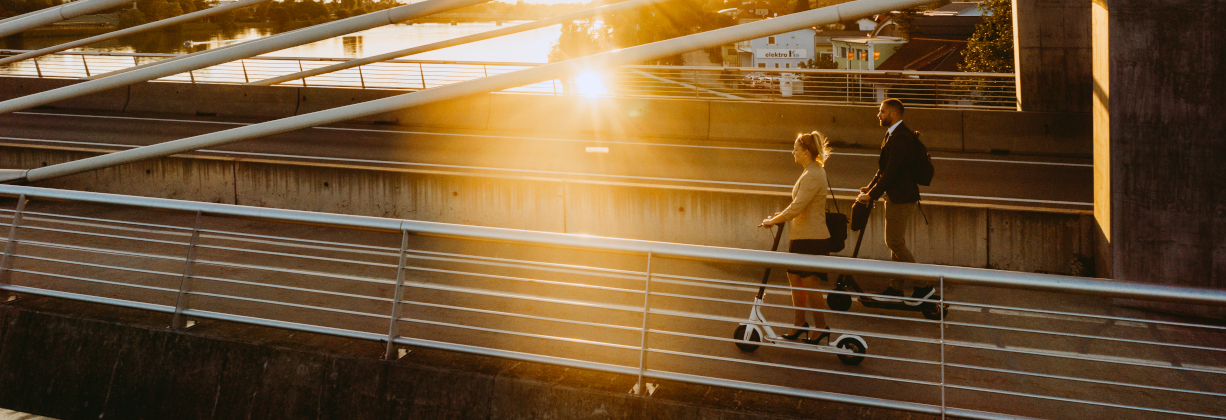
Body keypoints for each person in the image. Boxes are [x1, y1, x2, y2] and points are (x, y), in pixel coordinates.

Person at [856, 98, 933, 305]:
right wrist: (870, 187)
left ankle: (923, 286)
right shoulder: (893, 134)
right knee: (895, 243)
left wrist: (872, 195)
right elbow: (883, 168)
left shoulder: (901, 137)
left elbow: (892, 171)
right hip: (897, 197)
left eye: (882, 112)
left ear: (894, 114)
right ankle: (896, 288)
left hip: (902, 198)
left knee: (895, 242)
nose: (879, 115)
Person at [760, 131, 834, 345]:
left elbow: (798, 206)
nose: (792, 152)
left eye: (795, 149)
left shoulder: (814, 174)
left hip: (812, 238)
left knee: (810, 283)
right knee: (795, 279)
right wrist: (779, 217)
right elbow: (798, 206)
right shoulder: (809, 171)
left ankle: (821, 328)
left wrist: (775, 220)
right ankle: (799, 324)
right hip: (801, 236)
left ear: (807, 152)